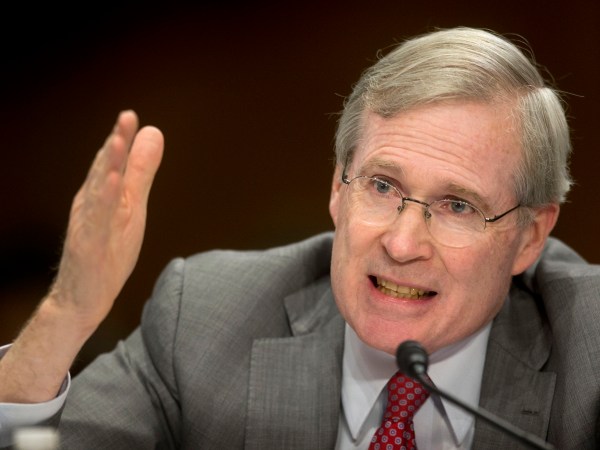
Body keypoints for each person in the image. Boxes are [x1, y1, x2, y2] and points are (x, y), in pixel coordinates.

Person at [0, 26, 598, 450]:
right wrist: (66, 314)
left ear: (529, 237)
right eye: (382, 186)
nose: (401, 244)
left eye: (458, 205)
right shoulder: (206, 318)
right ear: (338, 190)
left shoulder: (588, 354)